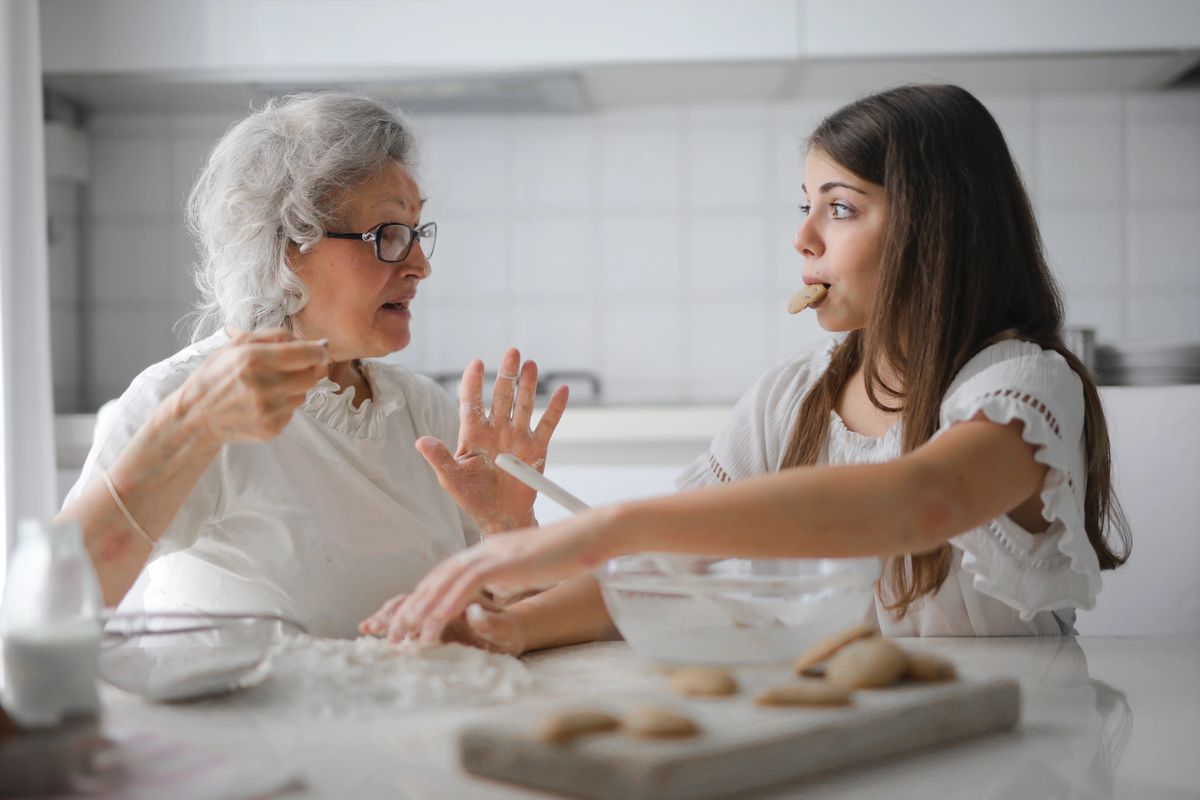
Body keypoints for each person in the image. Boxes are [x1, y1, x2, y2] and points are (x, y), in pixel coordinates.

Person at [364, 84, 1131, 649]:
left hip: (1018, 750)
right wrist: (512, 627)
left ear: (937, 228)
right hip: (856, 740)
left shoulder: (1022, 388)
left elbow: (922, 500)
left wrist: (613, 523)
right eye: (805, 204)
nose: (802, 237)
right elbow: (668, 568)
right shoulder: (792, 397)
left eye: (840, 207)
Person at [57, 92, 567, 638]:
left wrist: (507, 527)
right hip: (246, 723)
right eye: (388, 236)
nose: (420, 265)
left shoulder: (421, 410)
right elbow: (57, 599)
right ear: (284, 247)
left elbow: (505, 626)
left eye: (417, 234)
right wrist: (187, 429)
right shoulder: (184, 397)